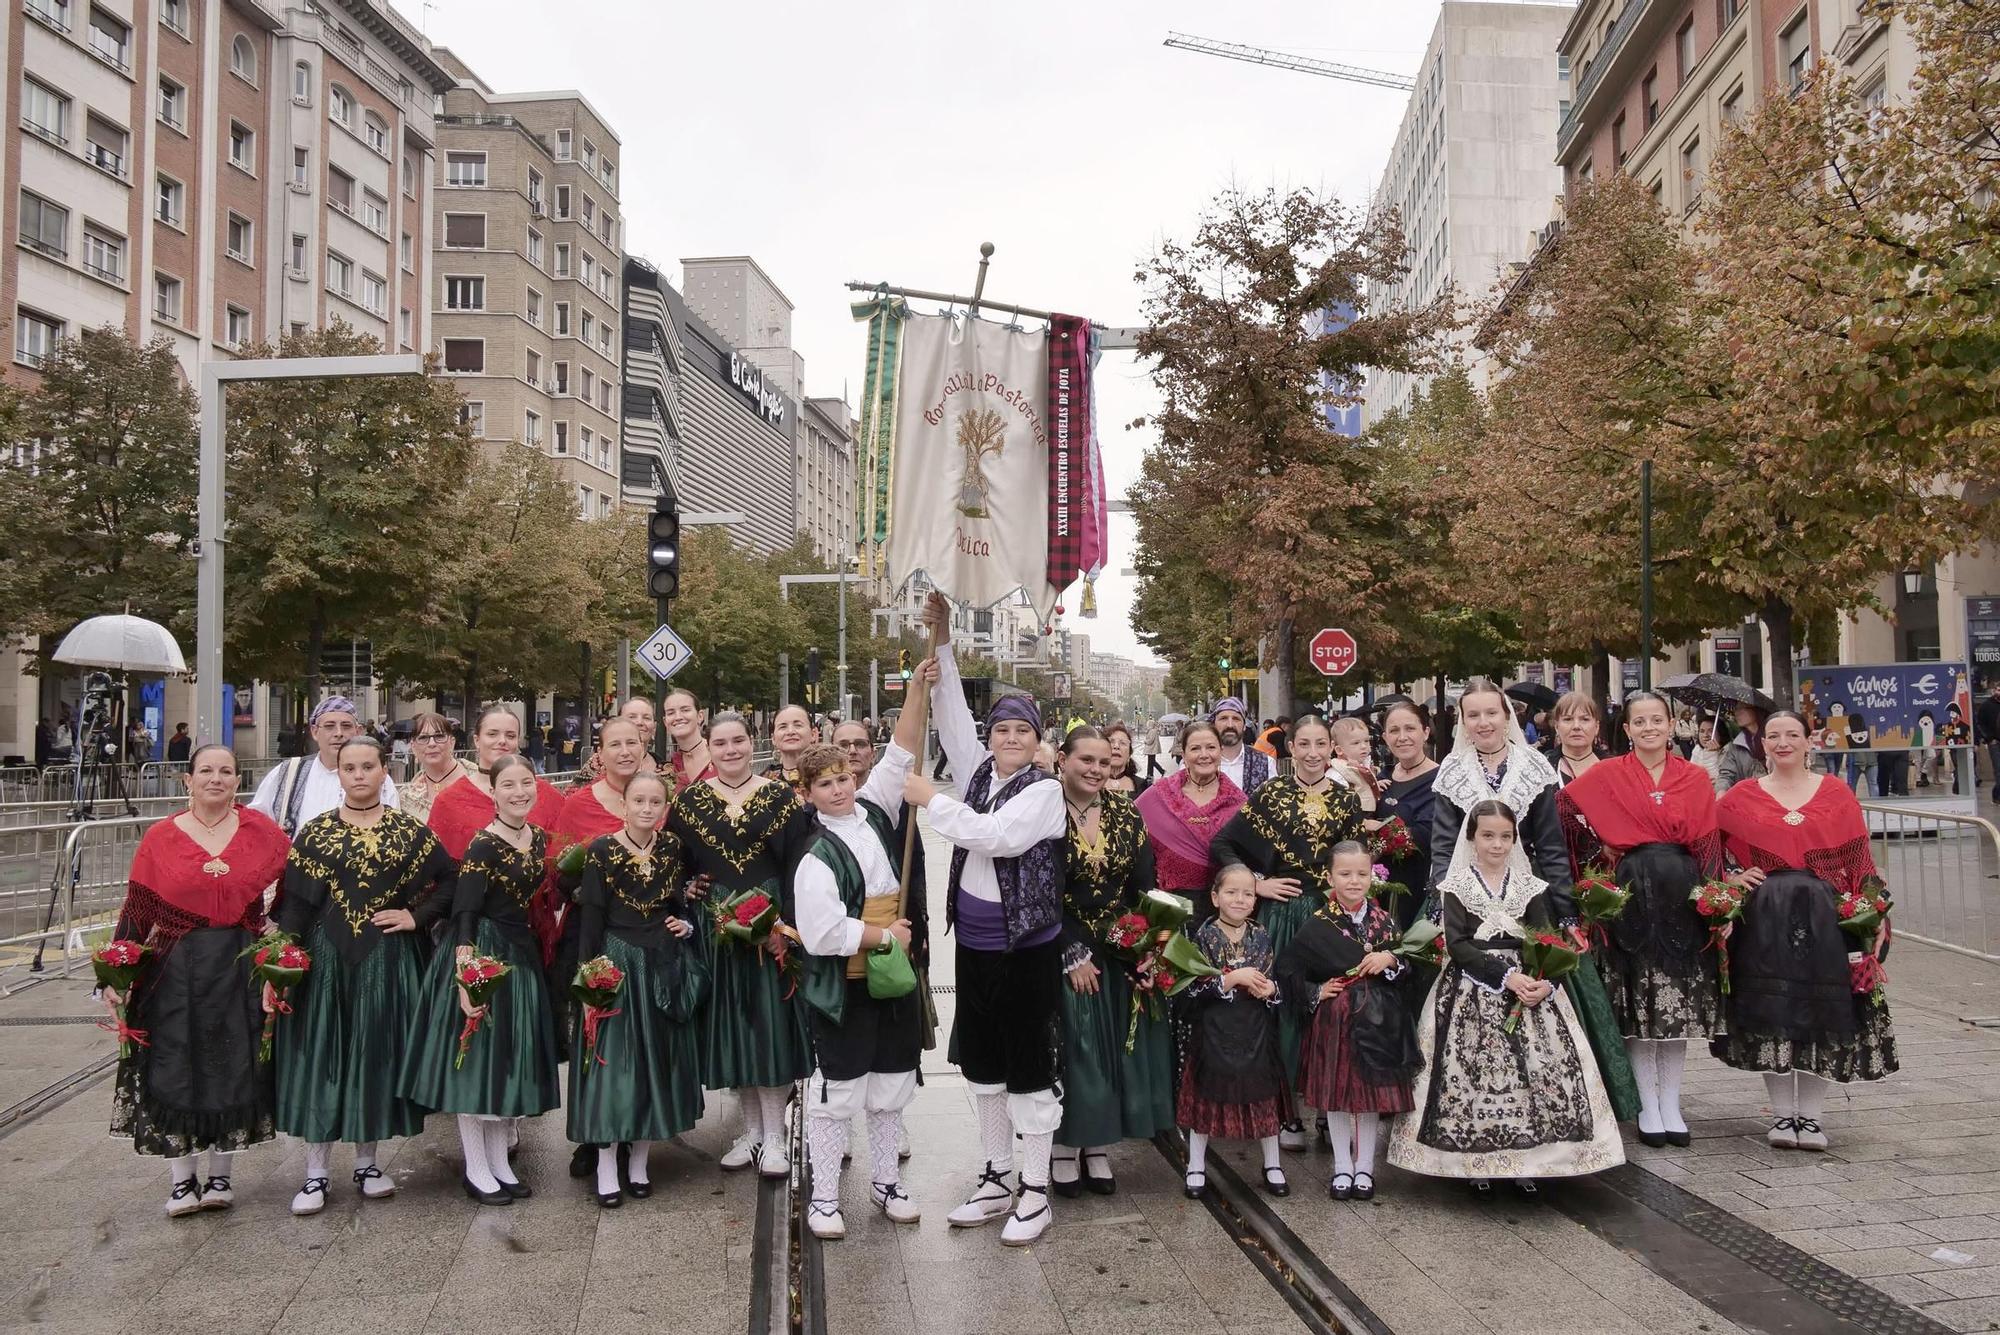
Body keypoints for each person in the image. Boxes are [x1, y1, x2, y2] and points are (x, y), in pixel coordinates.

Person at [900, 592, 1067, 1247]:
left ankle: (1036, 1190)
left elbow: (996, 837)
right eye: (1002, 730)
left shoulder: (1044, 792)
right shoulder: (976, 774)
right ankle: (997, 1175)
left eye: (1022, 731)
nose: (1010, 738)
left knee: (1029, 1069)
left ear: (1037, 739)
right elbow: (950, 718)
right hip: (973, 944)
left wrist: (930, 800)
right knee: (985, 1066)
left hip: (1023, 949)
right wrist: (941, 638)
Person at [1388, 799, 1624, 1195]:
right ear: (1472, 838)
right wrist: (1506, 977)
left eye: (1505, 836)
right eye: (1488, 836)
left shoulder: (1529, 886)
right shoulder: (1457, 886)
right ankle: (1474, 1162)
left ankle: (1530, 1162)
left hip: (1528, 985)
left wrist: (1546, 981)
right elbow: (1458, 945)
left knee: (1539, 1071)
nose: (1496, 844)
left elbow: (1545, 937)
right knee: (1472, 1071)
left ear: (1514, 840)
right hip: (1473, 984)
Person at [1432, 679, 1639, 1126]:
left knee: (1552, 983)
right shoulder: (1452, 770)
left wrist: (1564, 912)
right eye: (1473, 715)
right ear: (1463, 721)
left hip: (1529, 894)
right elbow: (1444, 846)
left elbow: (1550, 846)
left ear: (1507, 716)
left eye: (1491, 712)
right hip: (1466, 895)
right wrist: (1442, 902)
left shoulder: (1533, 768)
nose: (1483, 722)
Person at [102, 745, 290, 1215]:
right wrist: (115, 974)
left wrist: (280, 949)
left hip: (238, 966)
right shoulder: (161, 838)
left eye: (226, 771)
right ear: (188, 780)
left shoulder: (263, 832)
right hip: (173, 969)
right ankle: (182, 1181)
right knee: (175, 1065)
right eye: (205, 770)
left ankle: (221, 1176)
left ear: (238, 780)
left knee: (233, 1064)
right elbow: (138, 910)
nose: (215, 778)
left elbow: (293, 895)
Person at [272, 737, 454, 1216]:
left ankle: (368, 1164)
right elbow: (295, 905)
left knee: (373, 1056)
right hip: (325, 962)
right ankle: (315, 1172)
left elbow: (451, 880)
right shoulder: (315, 832)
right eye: (349, 767)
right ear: (339, 773)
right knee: (323, 1056)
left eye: (367, 766)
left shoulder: (408, 831)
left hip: (386, 960)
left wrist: (416, 916)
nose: (358, 774)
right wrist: (282, 963)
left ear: (384, 771)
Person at [1714, 712, 1898, 1150]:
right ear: (1762, 744)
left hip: (1826, 919)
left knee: (1822, 1011)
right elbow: (1708, 850)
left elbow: (1860, 860)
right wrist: (1732, 879)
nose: (1783, 743)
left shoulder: (1836, 794)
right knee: (1773, 1011)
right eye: (1773, 736)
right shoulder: (1741, 797)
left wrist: (1875, 913)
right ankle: (1782, 1115)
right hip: (1765, 919)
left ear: (1808, 741)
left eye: (1792, 735)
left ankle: (1812, 1118)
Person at [1558, 690, 1724, 1148]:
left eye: (1657, 720)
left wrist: (1717, 898)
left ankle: (1671, 1102)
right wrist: (1598, 850)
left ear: (1670, 725)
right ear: (1627, 729)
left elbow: (1709, 842)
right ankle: (1646, 1105)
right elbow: (1564, 810)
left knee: (1675, 1004)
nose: (1649, 728)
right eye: (1640, 722)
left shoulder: (1694, 776)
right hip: (1629, 891)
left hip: (1681, 893)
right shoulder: (1608, 773)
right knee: (1636, 1000)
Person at [794, 688, 930, 1237]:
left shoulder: (875, 811)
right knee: (839, 1090)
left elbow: (899, 754)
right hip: (844, 984)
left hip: (890, 982)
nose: (838, 788)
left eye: (843, 778)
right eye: (825, 784)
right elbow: (822, 932)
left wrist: (918, 687)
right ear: (808, 793)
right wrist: (883, 936)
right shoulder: (816, 855)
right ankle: (825, 1197)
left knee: (891, 1083)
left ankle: (885, 1182)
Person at [400, 755, 562, 1206]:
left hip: (520, 954)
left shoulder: (537, 837)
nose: (518, 792)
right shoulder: (483, 845)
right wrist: (466, 977)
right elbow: (465, 913)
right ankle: (476, 1167)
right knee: (476, 1065)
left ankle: (499, 1163)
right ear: (492, 792)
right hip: (483, 954)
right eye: (508, 785)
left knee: (503, 1063)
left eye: (526, 783)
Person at [669, 710, 815, 1179]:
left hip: (769, 921)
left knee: (768, 1025)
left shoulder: (780, 797)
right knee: (733, 1026)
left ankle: (775, 1136)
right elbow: (677, 862)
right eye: (720, 743)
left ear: (753, 743)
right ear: (708, 748)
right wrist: (688, 889)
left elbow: (798, 865)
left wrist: (786, 926)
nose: (730, 750)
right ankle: (751, 1131)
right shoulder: (689, 802)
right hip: (717, 926)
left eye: (738, 741)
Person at [1210, 714, 1364, 1148]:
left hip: (1330, 917)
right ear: (1290, 748)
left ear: (1331, 748)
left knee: (1331, 1007)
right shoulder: (1270, 793)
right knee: (1283, 1010)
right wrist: (1257, 883)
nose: (1313, 753)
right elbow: (1222, 844)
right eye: (1304, 744)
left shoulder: (1346, 799)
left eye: (1321, 744)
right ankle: (1287, 1114)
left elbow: (1357, 858)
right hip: (1282, 917)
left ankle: (1327, 1110)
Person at [568, 770, 707, 1207]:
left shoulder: (672, 847)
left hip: (661, 961)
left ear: (665, 807)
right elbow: (591, 917)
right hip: (617, 960)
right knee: (614, 1066)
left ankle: (640, 1162)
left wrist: (684, 924)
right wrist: (590, 979)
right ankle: (607, 1164)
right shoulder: (602, 851)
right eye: (639, 801)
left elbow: (680, 902)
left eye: (655, 802)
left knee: (656, 1062)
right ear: (624, 805)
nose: (647, 809)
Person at [1049, 726, 1174, 1199]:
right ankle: (1064, 1146)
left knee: (1115, 1050)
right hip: (1062, 946)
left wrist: (1146, 948)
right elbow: (1036, 891)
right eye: (1087, 760)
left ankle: (1098, 1146)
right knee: (1078, 1052)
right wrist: (1069, 950)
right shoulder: (1043, 809)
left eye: (1104, 762)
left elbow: (1144, 885)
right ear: (1063, 759)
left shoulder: (1126, 812)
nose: (1097, 770)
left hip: (1116, 948)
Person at [553, 716, 665, 1180]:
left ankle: (635, 1130)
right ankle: (595, 1135)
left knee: (639, 1038)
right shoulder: (578, 804)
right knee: (597, 1033)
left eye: (632, 743)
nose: (624, 751)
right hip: (592, 931)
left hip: (643, 936)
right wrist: (585, 887)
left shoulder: (655, 797)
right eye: (614, 744)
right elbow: (557, 870)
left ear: (644, 746)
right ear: (599, 753)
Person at [1279, 842, 1421, 1202]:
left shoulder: (1385, 921)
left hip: (1380, 1020)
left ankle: (1365, 1167)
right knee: (1337, 1094)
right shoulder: (1317, 924)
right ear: (1329, 878)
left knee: (1371, 1095)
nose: (1354, 881)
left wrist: (1390, 961)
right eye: (1345, 874)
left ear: (1372, 876)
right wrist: (1316, 990)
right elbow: (1288, 970)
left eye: (1362, 873)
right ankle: (1342, 1166)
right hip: (1336, 1020)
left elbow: (1409, 967)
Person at [1177, 864, 1290, 1200]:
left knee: (1263, 1094)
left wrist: (1271, 989)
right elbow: (1190, 990)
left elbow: (1274, 978)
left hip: (1255, 1027)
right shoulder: (1203, 936)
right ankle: (1196, 1164)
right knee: (1206, 1096)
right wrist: (1230, 980)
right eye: (1231, 892)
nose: (1240, 899)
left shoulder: (1262, 934)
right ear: (1215, 897)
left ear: (1255, 900)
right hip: (1215, 1029)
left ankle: (1273, 1163)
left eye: (1247, 894)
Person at [1134, 721, 1247, 920]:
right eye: (1195, 748)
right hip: (1169, 907)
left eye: (1211, 747)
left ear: (1221, 751)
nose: (1204, 755)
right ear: (1184, 755)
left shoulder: (1238, 802)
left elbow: (1252, 856)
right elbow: (1129, 827)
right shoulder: (1160, 794)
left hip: (1223, 909)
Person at [426, 706, 567, 862]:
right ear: (476, 740)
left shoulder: (546, 794)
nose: (502, 741)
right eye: (492, 734)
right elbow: (435, 865)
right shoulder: (449, 801)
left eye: (510, 735)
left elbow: (563, 853)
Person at [251, 696, 399, 835]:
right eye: (329, 726)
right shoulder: (287, 773)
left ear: (358, 732)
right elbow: (254, 824)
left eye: (346, 726)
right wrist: (272, 835)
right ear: (315, 732)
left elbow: (393, 831)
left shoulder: (378, 779)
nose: (338, 733)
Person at [1377, 702, 1439, 931]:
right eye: (1394, 731)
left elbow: (1426, 834)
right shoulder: (1380, 779)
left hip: (1420, 889)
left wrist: (1374, 832)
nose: (1402, 737)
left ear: (1425, 732)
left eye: (1410, 728)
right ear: (1385, 737)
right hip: (1378, 889)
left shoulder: (1441, 780)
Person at [396, 712, 474, 824]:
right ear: (413, 747)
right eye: (423, 738)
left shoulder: (479, 780)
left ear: (452, 743)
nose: (432, 744)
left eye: (439, 736)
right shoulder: (407, 798)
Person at [578, 697, 662, 783]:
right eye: (632, 717)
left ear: (654, 727)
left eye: (646, 718)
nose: (639, 722)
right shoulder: (596, 764)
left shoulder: (665, 769)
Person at [1210, 698, 1272, 796]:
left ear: (1244, 726)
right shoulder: (1199, 762)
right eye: (1223, 718)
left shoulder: (1266, 762)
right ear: (1214, 724)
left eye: (1236, 719)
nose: (1230, 725)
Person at [663, 687, 718, 788]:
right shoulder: (672, 765)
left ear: (700, 716)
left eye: (685, 710)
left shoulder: (719, 753)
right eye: (671, 713)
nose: (678, 717)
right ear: (665, 722)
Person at [1330, 716, 1380, 820]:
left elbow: (1364, 784)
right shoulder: (1338, 772)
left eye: (1366, 741)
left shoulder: (1363, 764)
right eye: (1356, 743)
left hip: (1371, 813)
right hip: (1354, 817)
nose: (1364, 746)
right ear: (1339, 750)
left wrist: (1376, 784)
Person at [1551, 693, 1605, 789]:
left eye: (1585, 719)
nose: (1576, 726)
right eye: (1568, 719)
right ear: (1556, 727)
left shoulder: (1615, 769)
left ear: (1596, 727)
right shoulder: (1543, 770)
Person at [1716, 703, 1770, 793]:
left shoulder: (1772, 739)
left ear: (1756, 710)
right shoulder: (1737, 744)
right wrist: (1721, 790)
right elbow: (1726, 775)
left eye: (1742, 708)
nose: (1736, 713)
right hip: (1747, 796)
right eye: (1736, 709)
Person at [768, 704, 814, 797]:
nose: (790, 732)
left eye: (798, 725)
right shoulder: (764, 781)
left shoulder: (828, 774)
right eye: (783, 727)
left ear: (813, 734)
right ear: (773, 738)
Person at [1100, 722, 1149, 798]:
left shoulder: (1143, 787)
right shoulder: (1090, 784)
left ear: (1129, 754)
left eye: (1123, 743)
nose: (1116, 746)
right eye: (1111, 742)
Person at [1692, 713, 1728, 794]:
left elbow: (1715, 782)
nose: (1705, 735)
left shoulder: (1728, 752)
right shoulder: (1697, 750)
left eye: (1711, 731)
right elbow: (1691, 774)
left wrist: (1711, 754)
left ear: (1720, 733)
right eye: (1702, 731)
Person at [1979, 680, 2000, 802]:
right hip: (1994, 742)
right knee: (1998, 769)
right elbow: (1981, 723)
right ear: (1994, 691)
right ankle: (1998, 796)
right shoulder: (1987, 705)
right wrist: (1989, 738)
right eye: (1998, 690)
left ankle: (1996, 793)